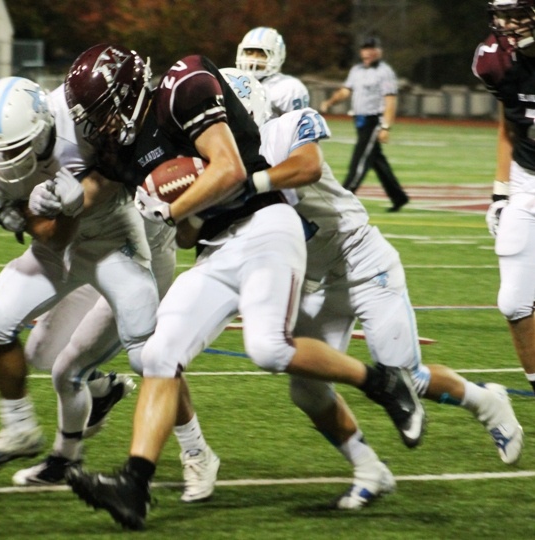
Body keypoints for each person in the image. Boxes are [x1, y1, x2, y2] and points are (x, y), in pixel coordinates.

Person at [61, 43, 424, 530]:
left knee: (269, 349)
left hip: (266, 226)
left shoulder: (182, 85)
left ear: (127, 93)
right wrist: (174, 210)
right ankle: (134, 485)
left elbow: (230, 169)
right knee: (157, 355)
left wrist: (170, 206)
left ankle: (382, 381)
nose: (99, 127)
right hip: (215, 248)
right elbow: (189, 233)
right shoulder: (124, 150)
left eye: (103, 114)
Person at [222, 67, 524, 506]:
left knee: (406, 377)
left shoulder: (284, 129)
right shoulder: (220, 162)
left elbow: (306, 167)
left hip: (364, 262)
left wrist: (250, 184)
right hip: (316, 279)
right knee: (305, 386)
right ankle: (369, 469)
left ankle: (486, 402)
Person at [0, 77, 138, 474]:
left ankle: (179, 449)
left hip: (115, 245)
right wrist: (25, 208)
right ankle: (19, 427)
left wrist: (71, 202)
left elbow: (110, 181)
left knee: (148, 353)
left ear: (43, 130)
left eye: (13, 149)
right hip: (62, 247)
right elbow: (47, 237)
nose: (2, 162)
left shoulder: (81, 124)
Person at [472, 0, 535, 396]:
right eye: (502, 14)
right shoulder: (495, 61)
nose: (508, 24)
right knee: (513, 302)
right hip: (528, 179)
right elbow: (507, 125)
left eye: (519, 13)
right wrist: (500, 192)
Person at [319, 36, 409, 212]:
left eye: (371, 48)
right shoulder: (357, 70)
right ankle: (399, 197)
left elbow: (390, 100)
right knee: (376, 161)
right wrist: (330, 102)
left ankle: (343, 198)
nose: (368, 52)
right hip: (359, 121)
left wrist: (385, 127)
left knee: (359, 161)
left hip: (373, 121)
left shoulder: (385, 72)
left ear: (379, 51)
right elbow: (346, 91)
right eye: (365, 48)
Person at [236, 26, 309, 117]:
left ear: (278, 56)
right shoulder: (231, 82)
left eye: (262, 54)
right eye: (249, 52)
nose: (253, 59)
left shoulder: (288, 88)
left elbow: (294, 127)